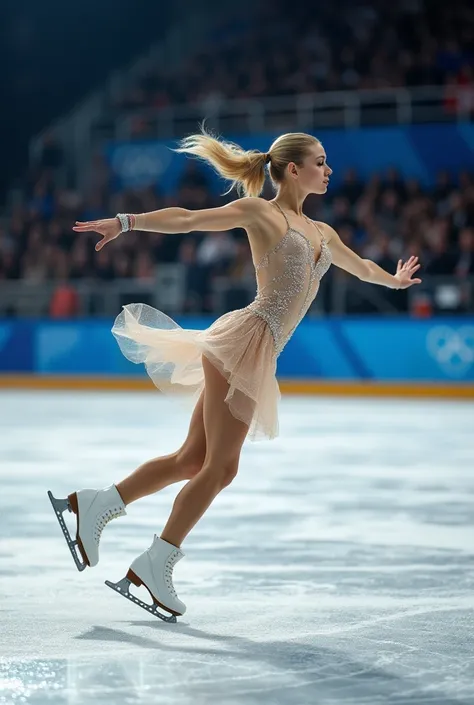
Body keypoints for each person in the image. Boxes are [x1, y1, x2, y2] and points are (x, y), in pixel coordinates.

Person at [48, 129, 422, 621]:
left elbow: (362, 267)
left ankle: (95, 506)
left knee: (190, 460)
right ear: (293, 169)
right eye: (320, 162)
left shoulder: (323, 233)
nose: (329, 170)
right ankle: (155, 563)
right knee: (221, 468)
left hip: (259, 350)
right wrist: (127, 221)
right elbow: (189, 220)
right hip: (245, 340)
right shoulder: (261, 213)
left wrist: (392, 279)